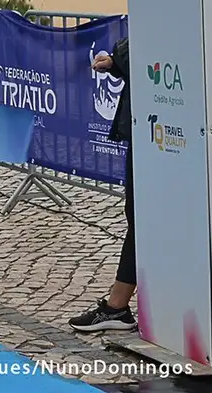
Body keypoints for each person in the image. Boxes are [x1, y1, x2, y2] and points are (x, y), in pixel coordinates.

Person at [70, 36, 138, 332]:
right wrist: (115, 62)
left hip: (166, 131)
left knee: (142, 219)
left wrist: (118, 58)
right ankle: (118, 306)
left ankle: (117, 306)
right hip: (153, 127)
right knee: (139, 218)